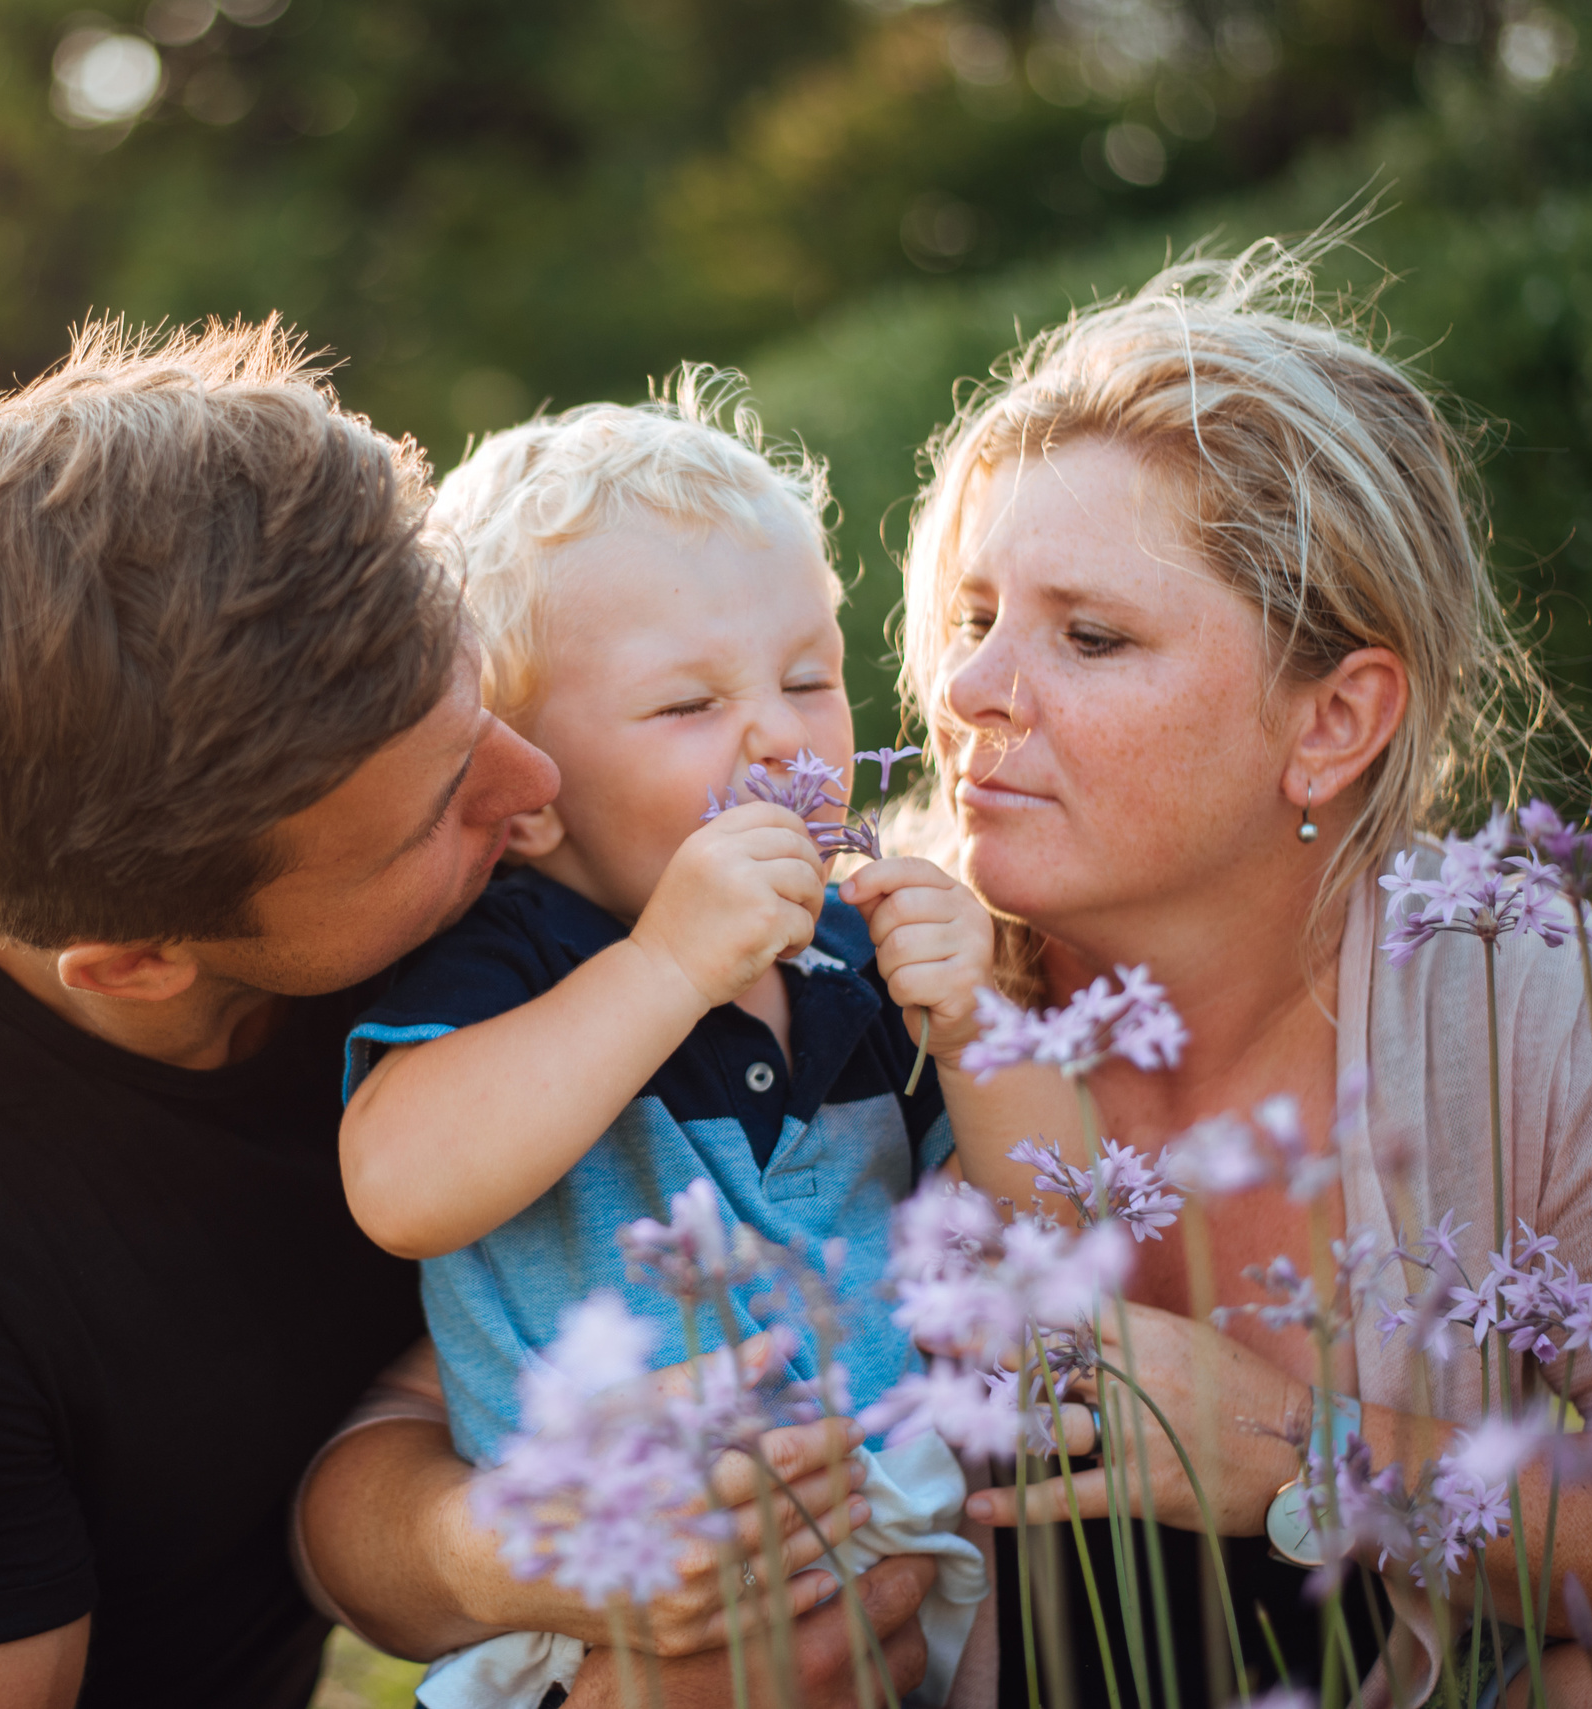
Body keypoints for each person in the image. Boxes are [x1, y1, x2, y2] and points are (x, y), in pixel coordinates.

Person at [0, 319, 938, 1709]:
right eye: (440, 804)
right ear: (139, 958)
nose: (531, 789)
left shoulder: (470, 896)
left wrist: (511, 1554)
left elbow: (406, 1409)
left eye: (478, 700)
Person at [885, 246, 1592, 1707]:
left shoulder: (1512, 1000)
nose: (966, 696)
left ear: (1334, 720)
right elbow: (420, 1459)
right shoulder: (858, 975)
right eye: (972, 619)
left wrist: (1299, 1447)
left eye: (1089, 636)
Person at [335, 385, 1012, 1707]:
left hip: (908, 1544)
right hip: (612, 1616)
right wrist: (664, 967)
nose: (778, 730)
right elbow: (401, 1184)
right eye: (687, 703)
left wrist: (979, 1027)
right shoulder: (522, 956)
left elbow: (1040, 1213)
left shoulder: (853, 952)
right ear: (525, 793)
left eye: (809, 675)